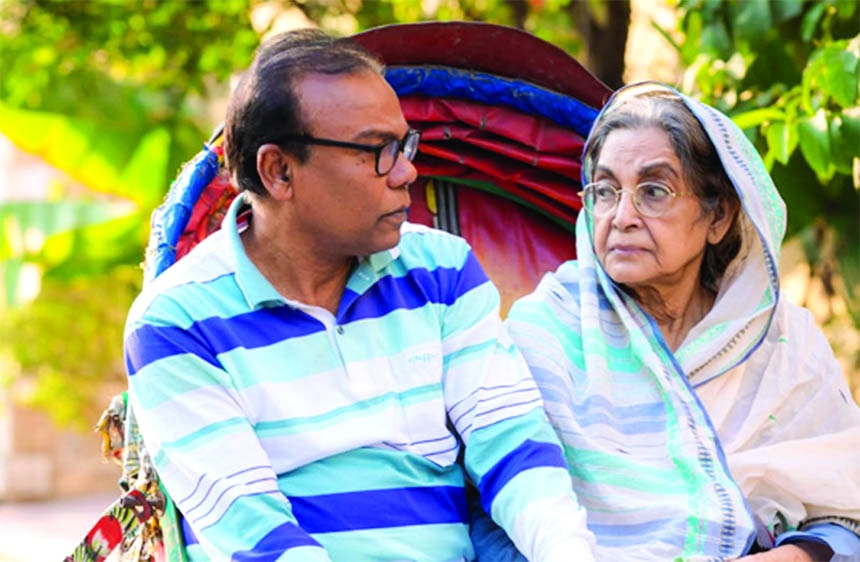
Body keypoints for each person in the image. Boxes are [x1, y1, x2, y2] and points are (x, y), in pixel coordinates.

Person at [123, 28, 597, 561]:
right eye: (378, 151)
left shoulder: (440, 268)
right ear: (279, 171)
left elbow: (511, 444)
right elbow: (252, 533)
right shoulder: (176, 321)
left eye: (405, 146)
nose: (407, 172)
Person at [486, 82, 860, 561]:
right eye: (605, 191)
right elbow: (499, 504)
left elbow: (844, 513)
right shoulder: (547, 329)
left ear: (718, 216)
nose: (622, 216)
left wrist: (793, 556)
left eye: (654, 191)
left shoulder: (781, 341)